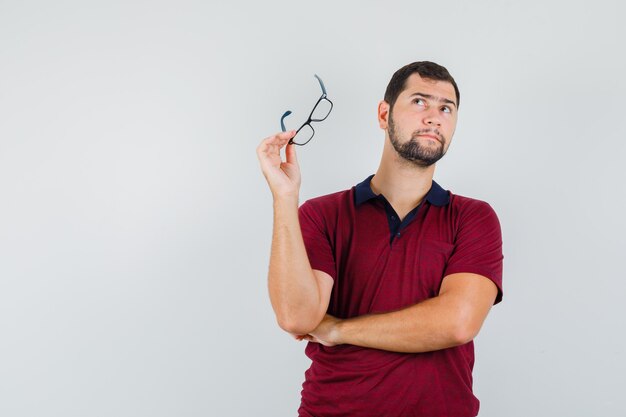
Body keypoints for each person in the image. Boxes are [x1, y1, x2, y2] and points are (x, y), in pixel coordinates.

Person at [256, 61, 504, 417]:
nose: (434, 117)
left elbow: (458, 322)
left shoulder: (473, 218)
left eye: (446, 108)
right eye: (420, 102)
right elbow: (297, 317)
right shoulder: (322, 214)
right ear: (383, 114)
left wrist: (339, 329)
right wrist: (284, 196)